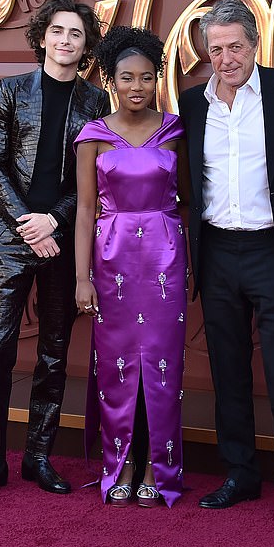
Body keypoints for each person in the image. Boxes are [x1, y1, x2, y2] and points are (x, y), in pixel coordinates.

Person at [0, 0, 110, 502]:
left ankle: (38, 458)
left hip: (63, 242)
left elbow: (92, 182)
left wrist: (54, 221)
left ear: (86, 46)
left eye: (77, 34)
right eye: (58, 31)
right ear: (42, 36)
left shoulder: (95, 103)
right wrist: (28, 225)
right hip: (11, 239)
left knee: (54, 352)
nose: (66, 41)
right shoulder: (11, 90)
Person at [177, 0, 274, 525]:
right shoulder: (193, 105)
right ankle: (239, 472)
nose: (227, 58)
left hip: (272, 250)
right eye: (216, 49)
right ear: (205, 52)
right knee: (228, 368)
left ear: (256, 44)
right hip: (216, 251)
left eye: (235, 46)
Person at [74, 26, 188, 507]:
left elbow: (188, 202)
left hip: (165, 259)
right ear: (111, 81)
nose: (136, 86)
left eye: (146, 77)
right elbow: (83, 210)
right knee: (116, 368)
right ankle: (118, 464)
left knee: (164, 367)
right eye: (126, 78)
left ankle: (158, 472)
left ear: (156, 78)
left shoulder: (176, 129)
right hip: (111, 259)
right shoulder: (93, 135)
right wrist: (81, 277)